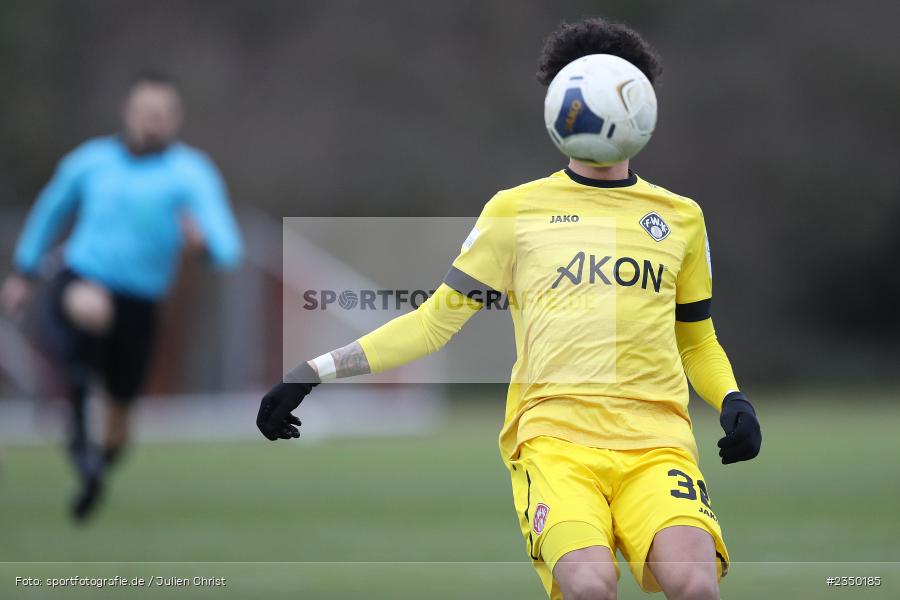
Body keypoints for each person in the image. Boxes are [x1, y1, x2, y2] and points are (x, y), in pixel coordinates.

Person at [257, 18, 761, 600]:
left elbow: (696, 340)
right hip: (556, 443)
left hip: (658, 442)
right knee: (590, 584)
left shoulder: (680, 217)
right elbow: (432, 323)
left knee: (695, 584)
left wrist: (733, 402)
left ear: (643, 104)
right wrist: (312, 372)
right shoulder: (516, 211)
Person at [0, 71, 242, 521]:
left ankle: (95, 473)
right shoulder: (91, 163)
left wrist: (203, 246)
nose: (152, 122)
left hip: (141, 304)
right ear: (127, 113)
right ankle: (75, 430)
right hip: (81, 279)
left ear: (176, 118)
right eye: (145, 112)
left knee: (119, 424)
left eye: (162, 115)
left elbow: (227, 245)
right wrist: (25, 271)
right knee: (92, 308)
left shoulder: (190, 173)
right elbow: (50, 211)